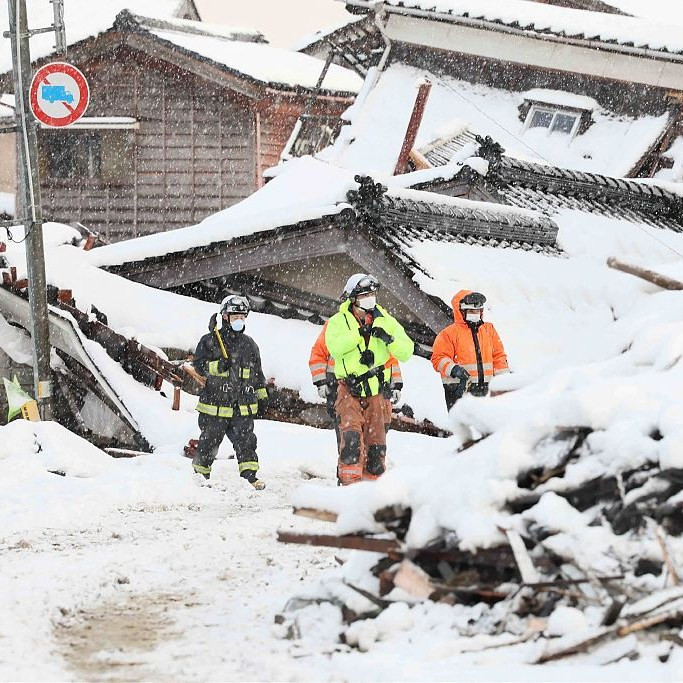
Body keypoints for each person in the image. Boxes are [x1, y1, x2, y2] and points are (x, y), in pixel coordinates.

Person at [325, 273, 413, 485]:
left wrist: (389, 339)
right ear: (353, 298)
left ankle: (371, 489)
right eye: (364, 295)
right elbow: (335, 348)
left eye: (372, 294)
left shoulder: (386, 320)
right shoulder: (338, 322)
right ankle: (349, 486)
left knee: (376, 447)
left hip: (377, 391)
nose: (370, 298)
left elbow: (407, 351)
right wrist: (360, 332)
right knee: (352, 443)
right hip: (350, 389)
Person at [191, 295, 269, 490]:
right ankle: (200, 478)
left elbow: (257, 374)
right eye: (235, 317)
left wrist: (263, 398)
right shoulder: (210, 341)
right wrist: (218, 365)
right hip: (214, 406)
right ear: (225, 317)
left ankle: (250, 477)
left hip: (241, 406)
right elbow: (199, 366)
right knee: (208, 443)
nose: (239, 321)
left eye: (243, 317)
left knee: (247, 442)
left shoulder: (249, 345)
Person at [309, 320, 404, 451]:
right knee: (349, 440)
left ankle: (359, 468)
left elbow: (390, 359)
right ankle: (350, 468)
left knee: (372, 445)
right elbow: (319, 353)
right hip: (342, 387)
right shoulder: (337, 324)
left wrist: (396, 384)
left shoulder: (379, 324)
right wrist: (321, 381)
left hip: (374, 389)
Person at [431, 289, 509, 411]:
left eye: (478, 310)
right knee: (465, 428)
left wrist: (504, 383)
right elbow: (438, 358)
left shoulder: (489, 330)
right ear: (461, 311)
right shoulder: (448, 334)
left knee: (488, 427)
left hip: (487, 391)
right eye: (472, 311)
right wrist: (454, 369)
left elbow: (499, 357)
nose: (476, 313)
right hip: (459, 391)